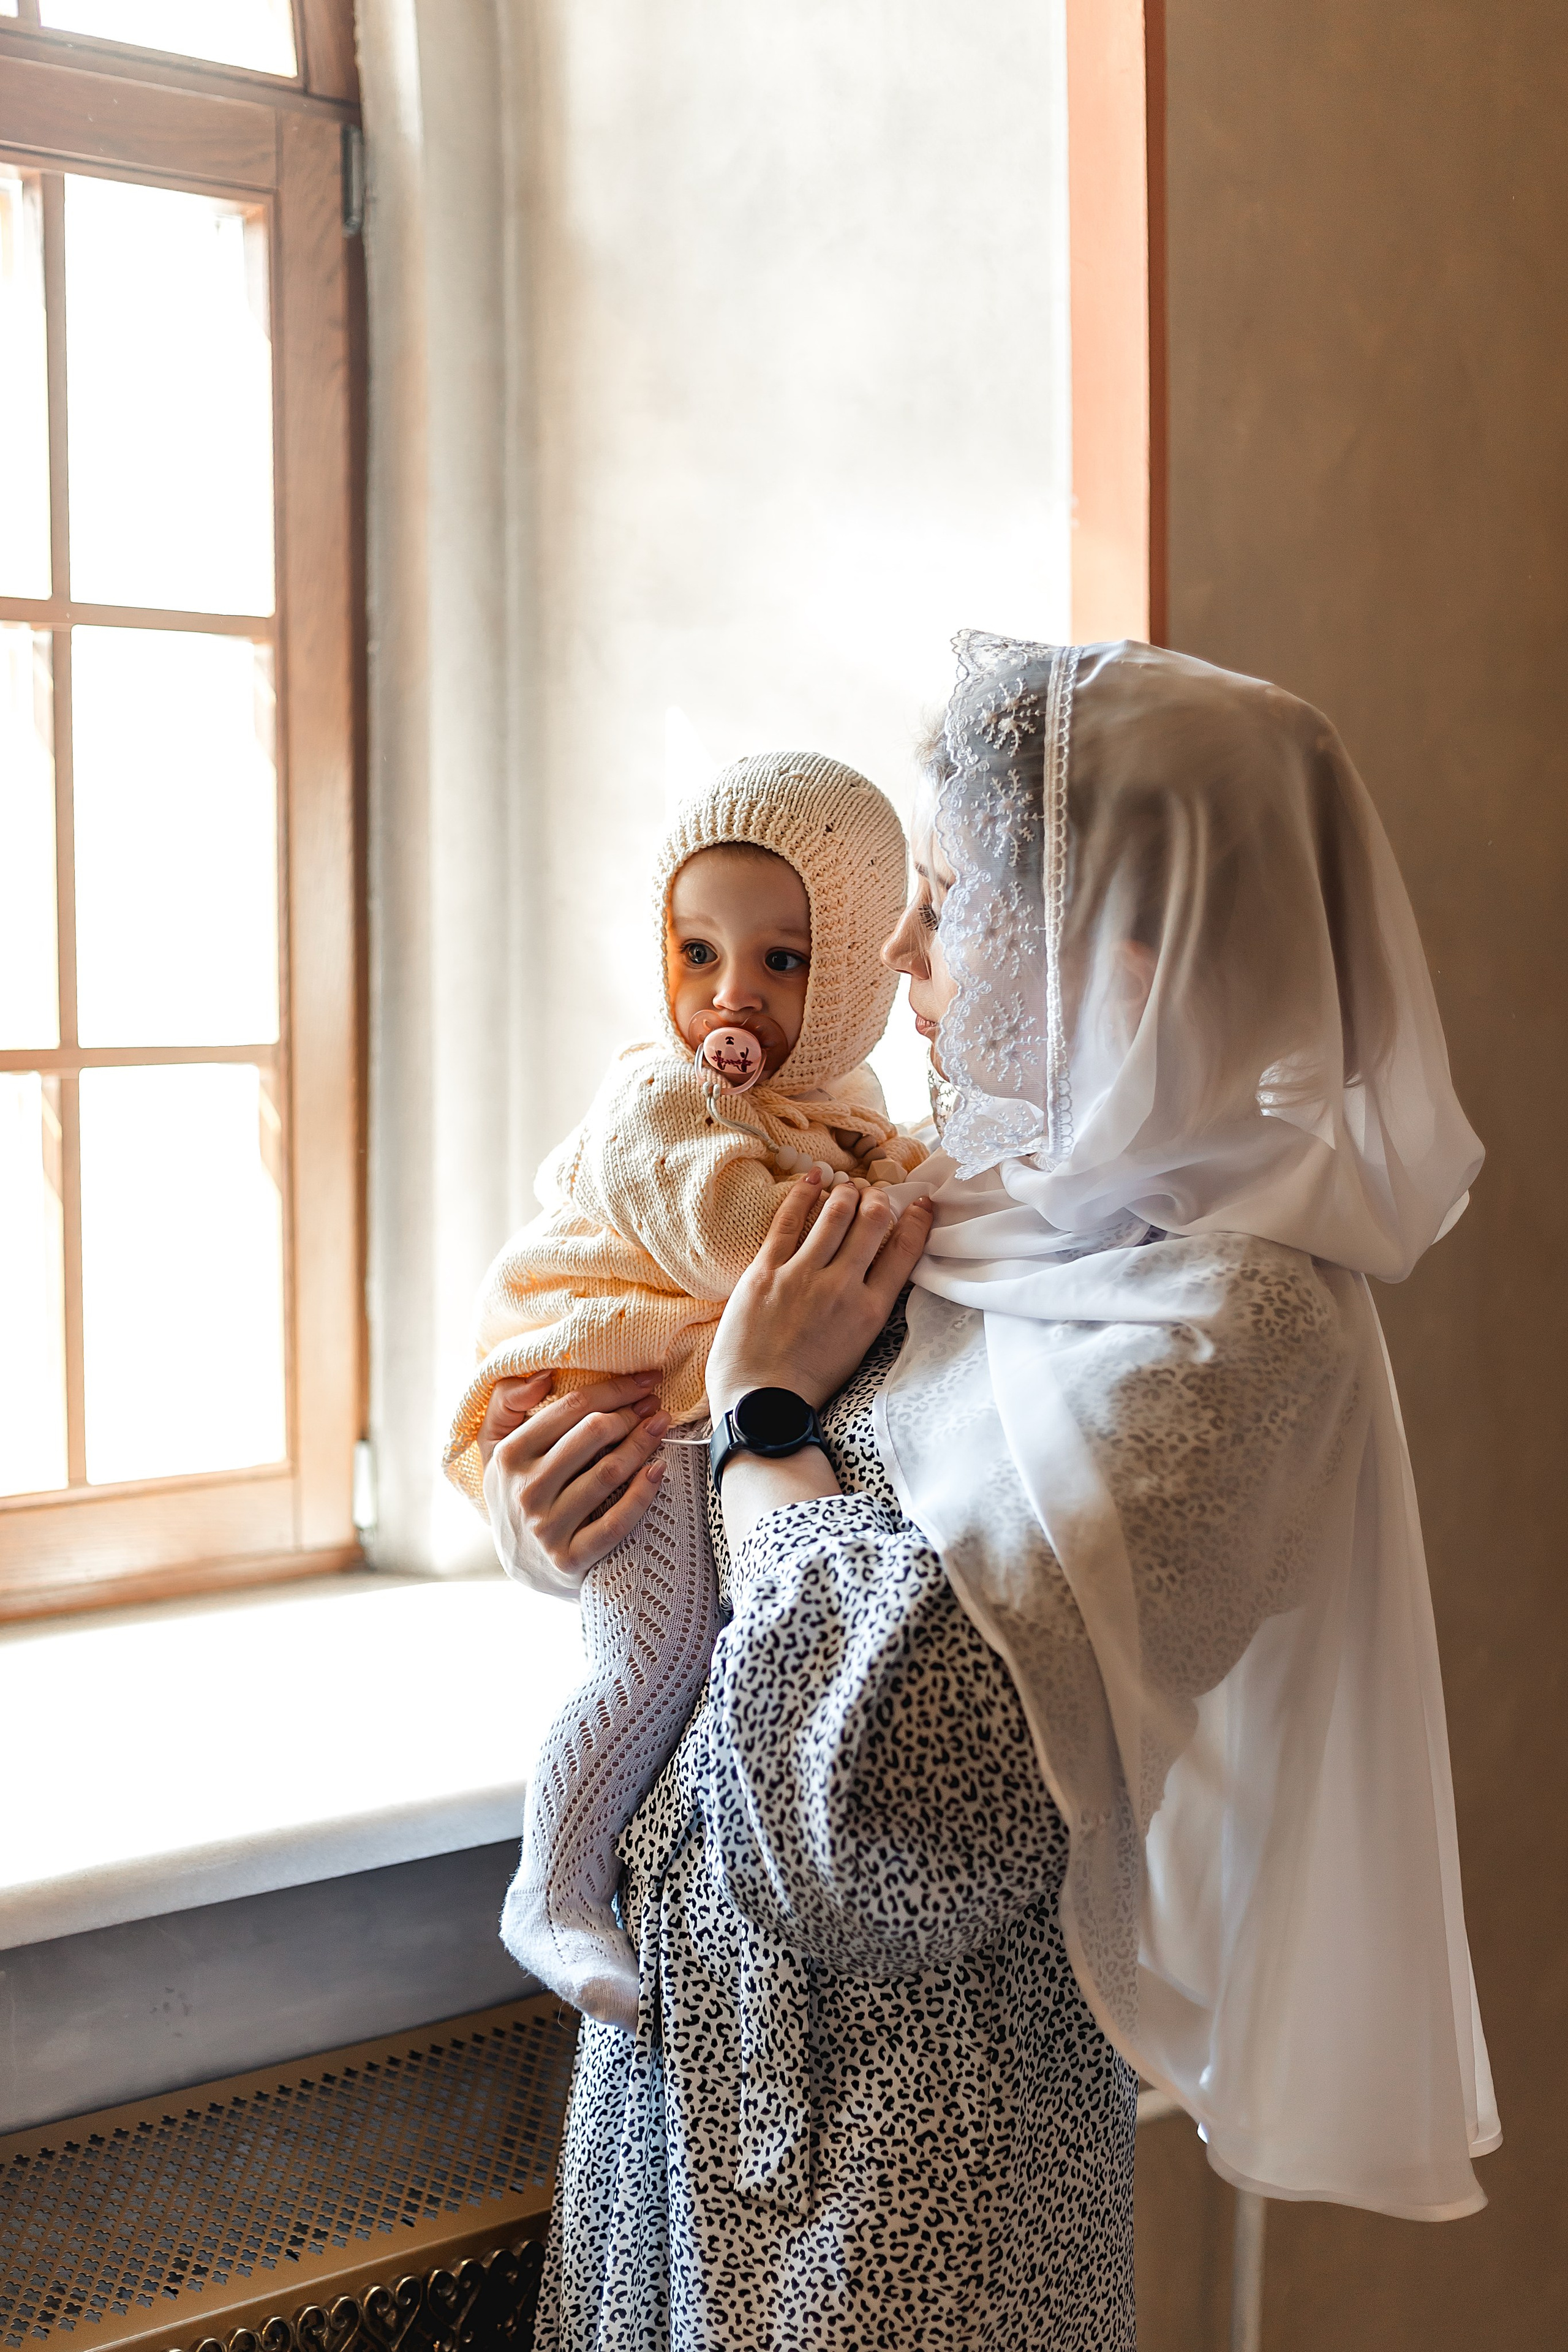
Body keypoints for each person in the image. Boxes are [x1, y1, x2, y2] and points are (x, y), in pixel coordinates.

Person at [480, 635, 1498, 2352]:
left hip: (906, 2186)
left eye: (948, 897)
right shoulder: (961, 1203)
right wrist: (561, 1501)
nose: (895, 951)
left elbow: (889, 1813)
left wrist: (767, 1407)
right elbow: (718, 1522)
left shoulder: (1235, 1329)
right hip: (671, 2089)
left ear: (1122, 947)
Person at [446, 753, 927, 2030]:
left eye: (783, 962)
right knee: (643, 1659)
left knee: (698, 1653)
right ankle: (548, 1889)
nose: (730, 997)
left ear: (863, 975)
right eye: (695, 951)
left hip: (695, 1412)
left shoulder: (844, 1105)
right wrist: (907, 1228)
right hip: (630, 1396)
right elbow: (727, 1235)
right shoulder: (659, 1093)